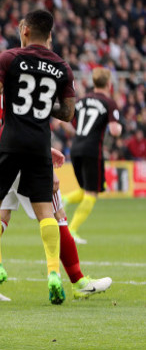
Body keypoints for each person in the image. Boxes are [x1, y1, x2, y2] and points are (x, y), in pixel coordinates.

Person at [0, 9, 76, 305]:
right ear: (50, 34)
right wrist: (42, 109)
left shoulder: (9, 58)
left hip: (10, 141)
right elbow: (68, 113)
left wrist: (11, 90)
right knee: (46, 211)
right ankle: (53, 274)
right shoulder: (62, 67)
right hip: (39, 143)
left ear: (24, 30)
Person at [0, 92, 111, 302]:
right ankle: (78, 281)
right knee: (57, 215)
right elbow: (29, 128)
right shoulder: (27, 86)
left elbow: (12, 126)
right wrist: (48, 162)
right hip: (29, 159)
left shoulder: (2, 88)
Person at [62, 67, 122, 244]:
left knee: (85, 188)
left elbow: (66, 122)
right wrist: (120, 128)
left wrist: (79, 134)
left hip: (76, 148)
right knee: (92, 192)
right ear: (109, 84)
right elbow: (114, 130)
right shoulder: (109, 103)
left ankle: (64, 199)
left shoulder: (81, 101)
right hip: (92, 150)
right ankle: (72, 230)